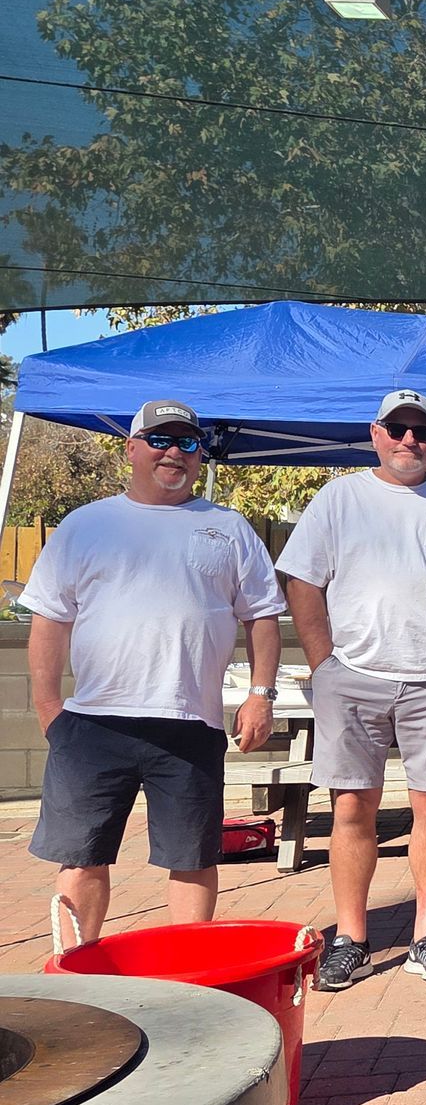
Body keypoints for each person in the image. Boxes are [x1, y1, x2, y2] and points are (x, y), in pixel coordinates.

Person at [22, 400, 284, 943]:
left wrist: (260, 694)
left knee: (192, 857)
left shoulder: (228, 528)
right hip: (94, 723)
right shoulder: (84, 526)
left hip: (192, 722)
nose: (174, 453)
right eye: (160, 440)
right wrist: (50, 709)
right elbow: (50, 622)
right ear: (132, 448)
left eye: (187, 443)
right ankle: (82, 976)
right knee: (81, 856)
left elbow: (262, 618)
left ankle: (187, 983)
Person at [278, 388, 426, 990]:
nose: (410, 440)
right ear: (375, 433)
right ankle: (351, 939)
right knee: (352, 808)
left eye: (421, 431)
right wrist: (323, 661)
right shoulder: (339, 497)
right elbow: (301, 580)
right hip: (352, 679)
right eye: (398, 428)